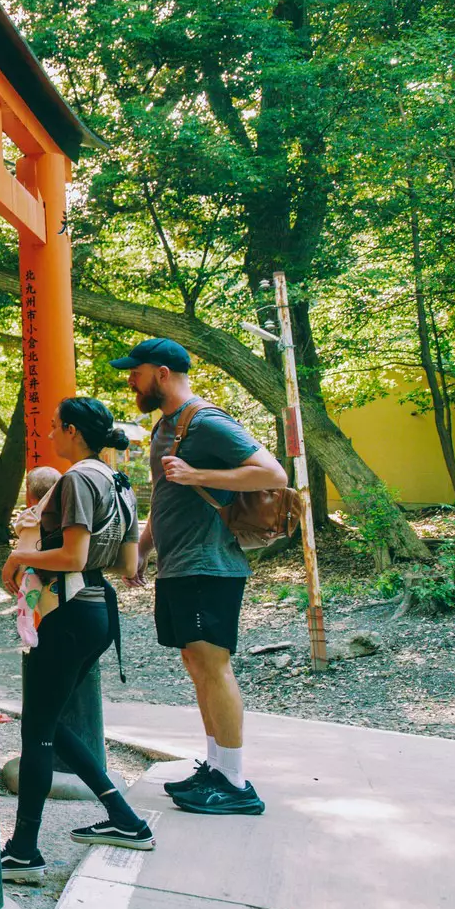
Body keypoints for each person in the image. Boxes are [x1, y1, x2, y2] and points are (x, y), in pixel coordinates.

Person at [113, 337, 288, 816]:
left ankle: (234, 783)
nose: (131, 378)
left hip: (210, 564)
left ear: (163, 373)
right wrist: (145, 551)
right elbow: (166, 501)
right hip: (179, 566)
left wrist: (200, 476)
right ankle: (216, 767)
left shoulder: (206, 421)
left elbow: (272, 474)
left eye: (137, 370)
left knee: (213, 665)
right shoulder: (165, 427)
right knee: (196, 666)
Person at [0, 397, 153, 881]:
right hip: (100, 611)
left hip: (67, 613)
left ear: (71, 431)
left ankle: (24, 851)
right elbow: (128, 567)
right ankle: (125, 819)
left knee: (37, 733)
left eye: (53, 429)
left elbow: (71, 556)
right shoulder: (119, 481)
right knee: (52, 718)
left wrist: (19, 561)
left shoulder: (79, 479)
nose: (48, 437)